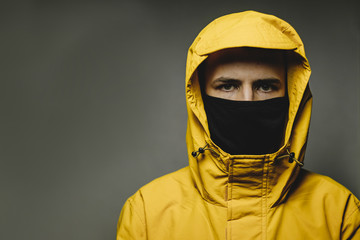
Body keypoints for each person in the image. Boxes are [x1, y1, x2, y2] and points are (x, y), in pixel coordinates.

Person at [117, 10, 360, 239]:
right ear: (201, 98)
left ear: (291, 98)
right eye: (228, 86)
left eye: (265, 86)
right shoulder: (147, 213)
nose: (247, 101)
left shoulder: (339, 212)